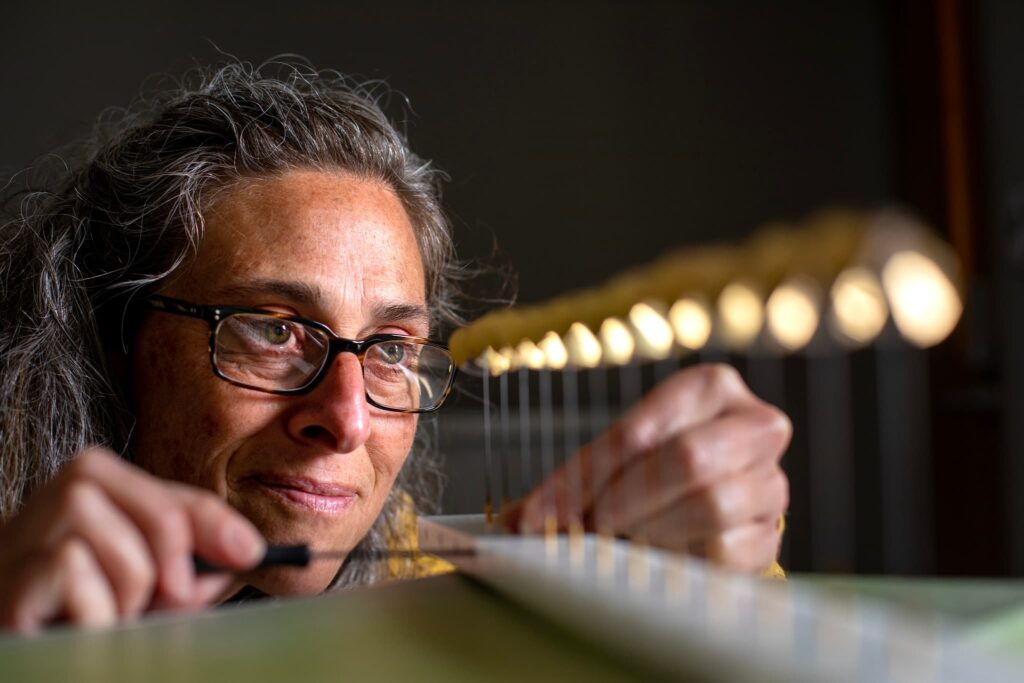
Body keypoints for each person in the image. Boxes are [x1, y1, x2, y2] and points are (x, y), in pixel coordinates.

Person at [0, 61, 791, 635]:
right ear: (111, 336)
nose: (345, 418)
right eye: (274, 330)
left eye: (388, 348)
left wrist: (717, 592)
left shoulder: (427, 584)